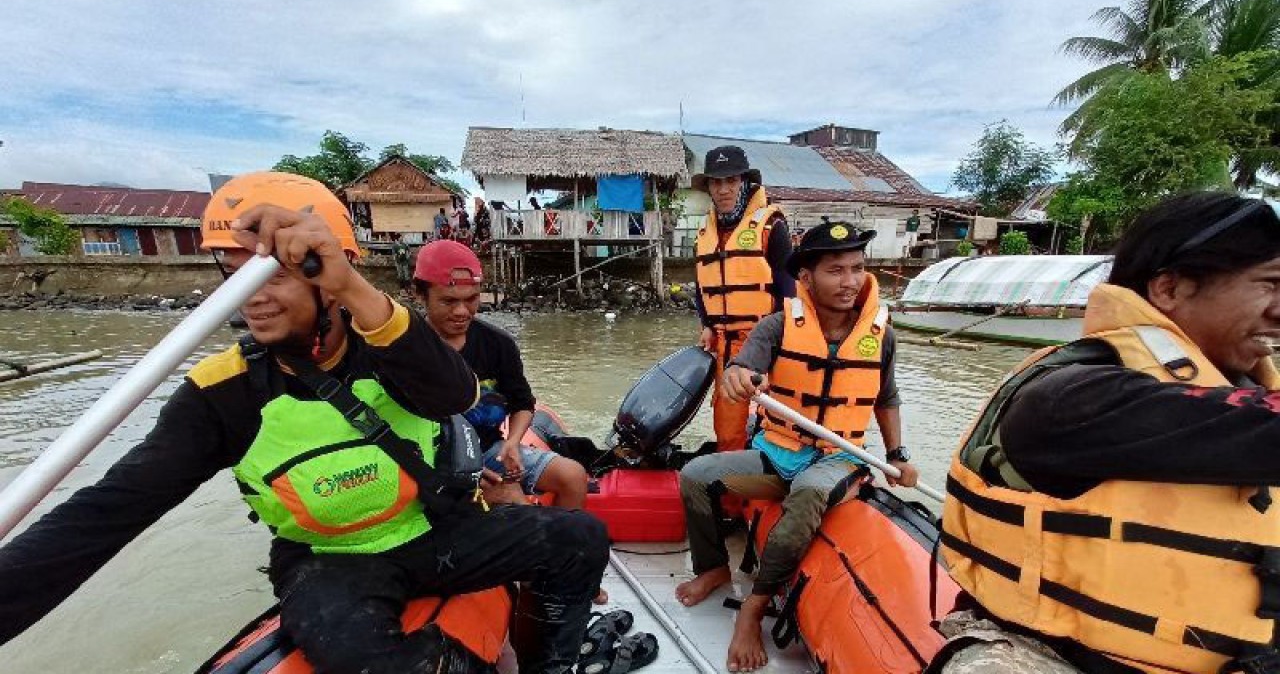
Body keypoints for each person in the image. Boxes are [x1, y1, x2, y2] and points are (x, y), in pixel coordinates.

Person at [0, 172, 610, 674]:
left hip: (435, 531)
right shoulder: (225, 393)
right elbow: (100, 515)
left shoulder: (390, 344)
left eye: (274, 274)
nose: (253, 296)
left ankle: (549, 666)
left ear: (332, 276)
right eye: (233, 274)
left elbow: (452, 392)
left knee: (579, 539)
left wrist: (349, 284)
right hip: (331, 560)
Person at [934, 193, 1280, 674]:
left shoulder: (1239, 389)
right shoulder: (1074, 395)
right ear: (1169, 288)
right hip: (1052, 655)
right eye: (1270, 285)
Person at [677, 220, 919, 673]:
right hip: (779, 451)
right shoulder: (777, 326)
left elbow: (885, 397)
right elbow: (744, 368)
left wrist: (897, 455)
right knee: (695, 475)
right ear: (806, 278)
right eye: (835, 270)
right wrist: (738, 377)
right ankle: (712, 567)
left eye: (857, 269)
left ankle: (754, 605)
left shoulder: (881, 335)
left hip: (840, 458)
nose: (849, 282)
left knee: (808, 490)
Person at [411, 240, 591, 510]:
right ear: (420, 295)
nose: (461, 312)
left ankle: (561, 544)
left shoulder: (498, 344)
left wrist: (512, 443)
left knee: (574, 476)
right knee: (511, 499)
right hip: (426, 461)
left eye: (471, 299)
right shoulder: (405, 348)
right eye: (448, 301)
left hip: (487, 451)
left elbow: (521, 403)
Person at [692, 145, 795, 451]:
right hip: (725, 346)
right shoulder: (704, 231)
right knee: (727, 429)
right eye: (716, 182)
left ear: (744, 182)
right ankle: (731, 488)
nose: (723, 189)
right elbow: (702, 286)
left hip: (768, 341)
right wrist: (707, 324)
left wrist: (782, 341)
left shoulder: (771, 226)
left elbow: (788, 288)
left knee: (777, 424)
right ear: (709, 187)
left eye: (731, 180)